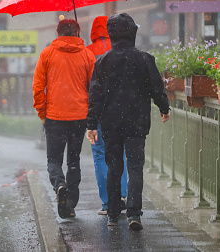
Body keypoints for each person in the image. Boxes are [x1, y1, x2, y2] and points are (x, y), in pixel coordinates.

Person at [86, 13, 170, 231]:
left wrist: (91, 124)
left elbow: (95, 94)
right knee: (135, 168)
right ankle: (134, 214)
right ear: (132, 33)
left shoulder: (102, 61)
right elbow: (156, 88)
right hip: (136, 122)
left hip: (111, 123)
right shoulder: (144, 59)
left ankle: (113, 214)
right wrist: (164, 108)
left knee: (114, 168)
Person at [33, 19, 96, 219]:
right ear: (77, 32)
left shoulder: (47, 54)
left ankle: (59, 184)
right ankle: (70, 204)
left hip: (54, 116)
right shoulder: (87, 55)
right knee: (74, 159)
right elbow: (93, 88)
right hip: (79, 115)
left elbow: (38, 87)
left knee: (54, 159)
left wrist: (42, 113)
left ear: (58, 33)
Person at [86, 16, 128, 215]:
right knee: (121, 152)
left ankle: (107, 202)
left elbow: (88, 84)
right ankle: (121, 194)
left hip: (98, 110)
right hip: (121, 109)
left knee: (101, 155)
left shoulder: (88, 52)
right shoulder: (121, 49)